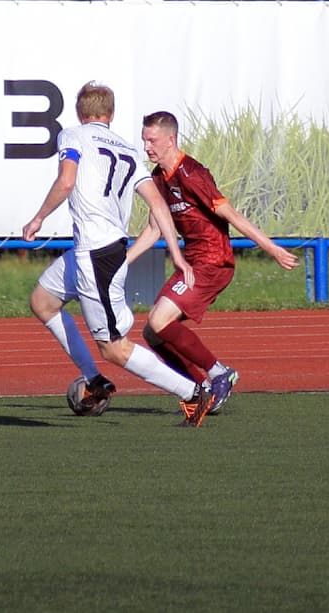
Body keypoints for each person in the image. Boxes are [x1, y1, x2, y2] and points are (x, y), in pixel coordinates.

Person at [22, 81, 218, 425]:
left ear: (80, 113)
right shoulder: (127, 148)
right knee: (43, 301)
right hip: (97, 250)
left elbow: (66, 182)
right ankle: (95, 380)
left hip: (96, 255)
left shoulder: (73, 135)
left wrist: (38, 217)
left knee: (114, 347)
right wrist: (176, 253)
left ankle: (193, 392)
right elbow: (157, 203)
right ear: (110, 115)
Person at [127, 110, 299, 410]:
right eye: (144, 140)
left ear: (171, 139)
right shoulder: (157, 178)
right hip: (192, 264)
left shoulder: (192, 173)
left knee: (158, 320)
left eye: (152, 140)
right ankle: (201, 387)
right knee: (152, 333)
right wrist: (123, 261)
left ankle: (221, 373)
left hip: (213, 262)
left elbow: (231, 215)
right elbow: (155, 228)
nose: (146, 147)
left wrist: (271, 249)